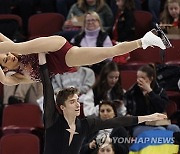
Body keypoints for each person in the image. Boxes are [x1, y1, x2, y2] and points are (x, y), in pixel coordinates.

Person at [38, 52, 167, 154]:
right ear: (62, 107)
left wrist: (149, 117)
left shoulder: (85, 124)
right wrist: (42, 57)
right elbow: (47, 87)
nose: (78, 104)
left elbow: (118, 121)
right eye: (72, 102)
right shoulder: (52, 120)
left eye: (77, 100)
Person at [0, 27, 167, 86]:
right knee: (109, 53)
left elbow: (5, 41)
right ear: (5, 68)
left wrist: (10, 49)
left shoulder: (17, 52)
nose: (10, 57)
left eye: (6, 54)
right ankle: (145, 40)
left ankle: (146, 39)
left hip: (55, 46)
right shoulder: (17, 78)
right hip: (64, 61)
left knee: (17, 45)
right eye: (5, 59)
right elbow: (4, 81)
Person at [125, 64, 180, 137]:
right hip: (138, 126)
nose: (139, 80)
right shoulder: (132, 93)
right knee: (160, 131)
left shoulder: (160, 91)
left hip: (158, 124)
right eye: (138, 77)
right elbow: (132, 114)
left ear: (151, 79)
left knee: (175, 128)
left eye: (142, 78)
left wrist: (150, 92)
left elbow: (161, 108)